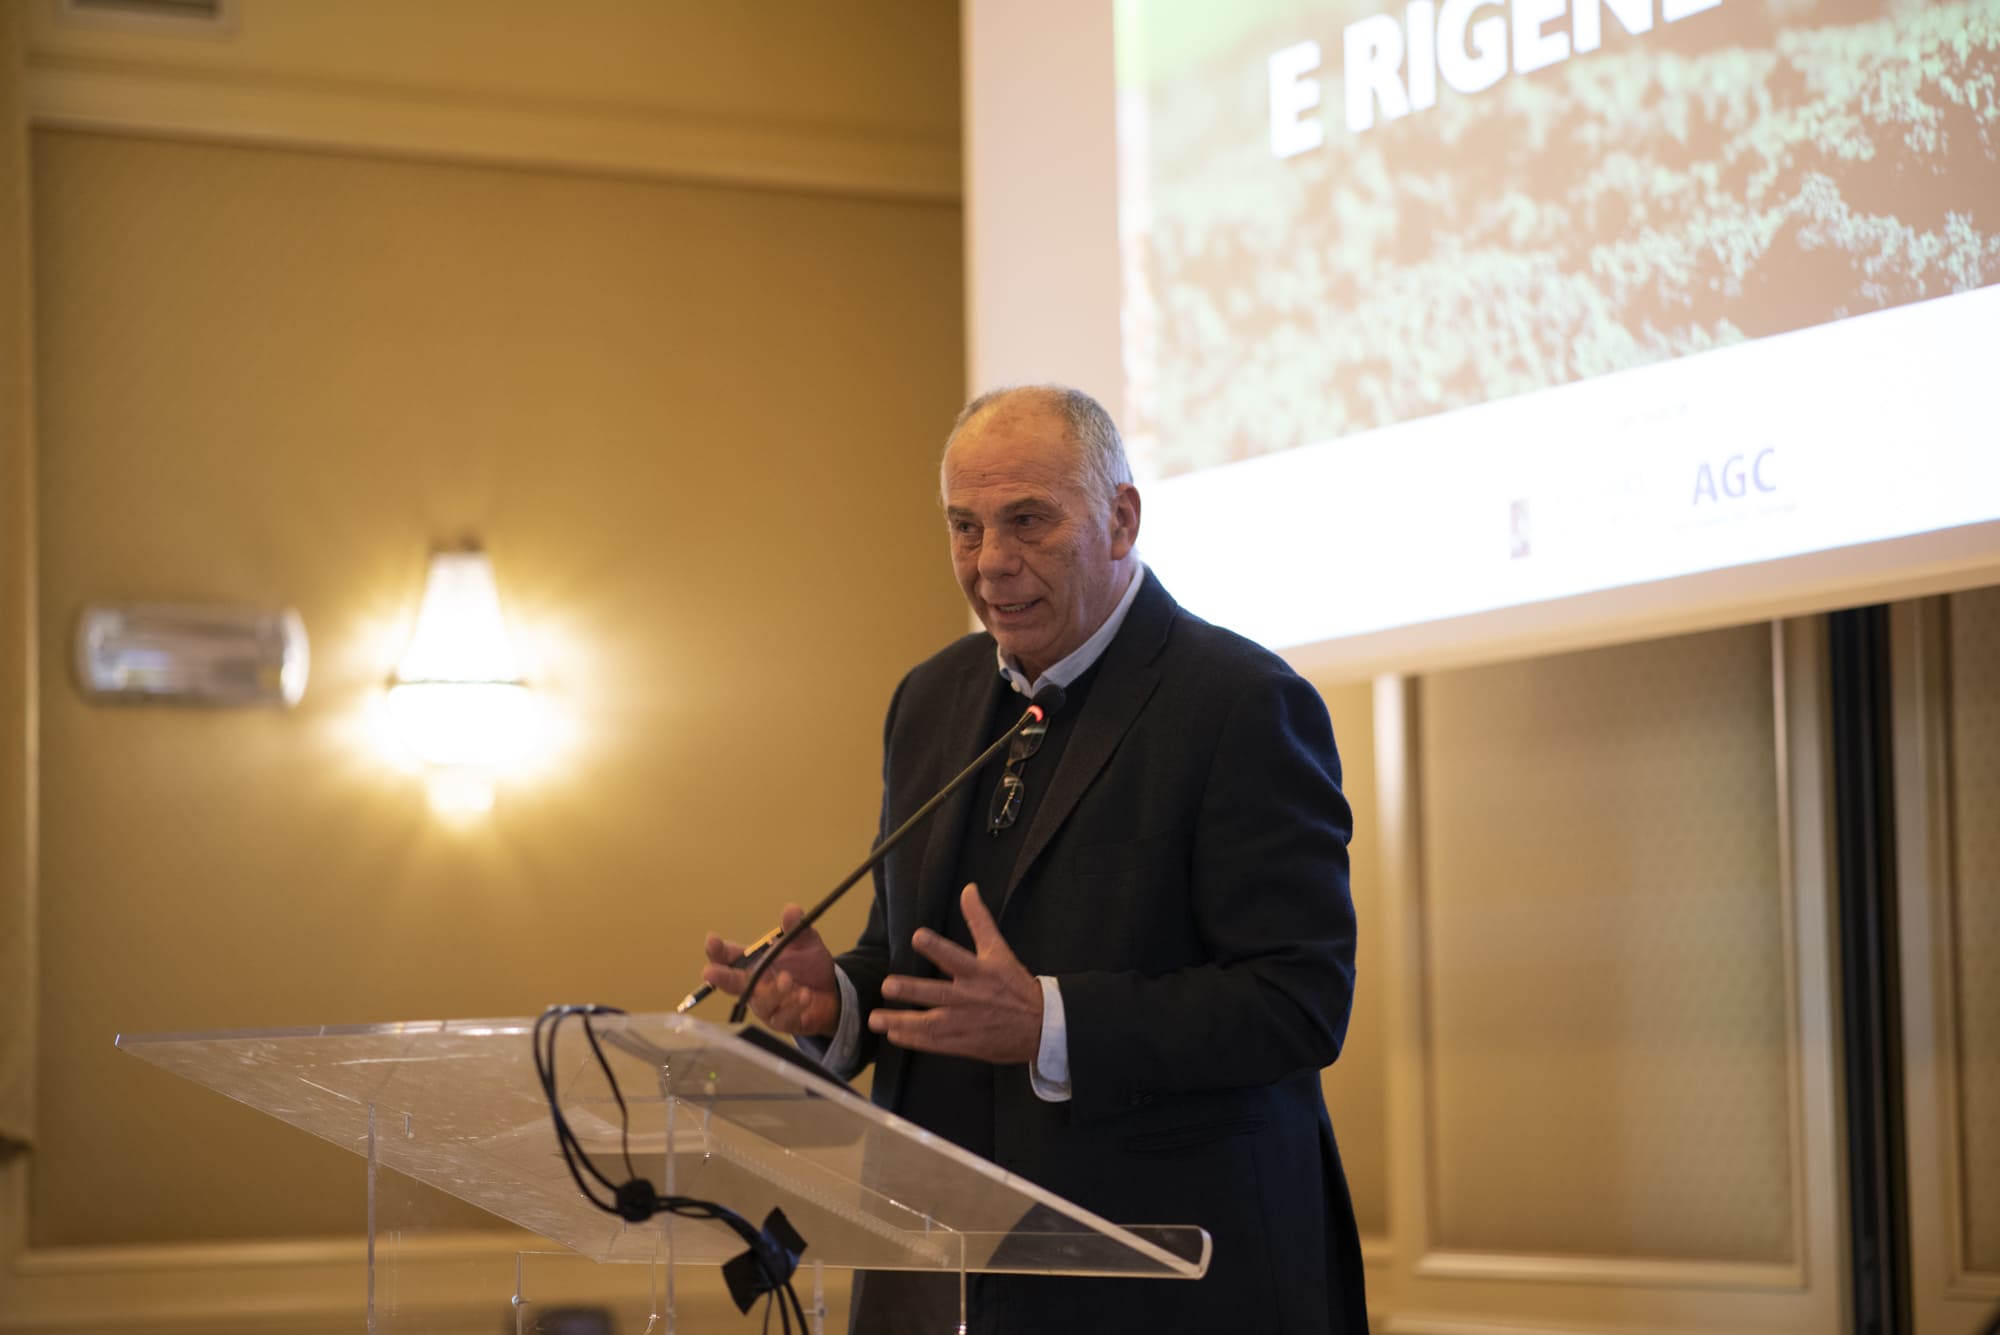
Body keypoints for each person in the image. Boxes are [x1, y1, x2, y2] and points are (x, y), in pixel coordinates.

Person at [702, 385, 1365, 1334]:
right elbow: (914, 956)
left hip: (1167, 1280)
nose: (991, 563)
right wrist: (838, 1003)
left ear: (1121, 520)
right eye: (964, 527)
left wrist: (1051, 1021)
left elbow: (1298, 1000)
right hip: (937, 1275)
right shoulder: (929, 699)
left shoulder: (1241, 702)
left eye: (1028, 521)